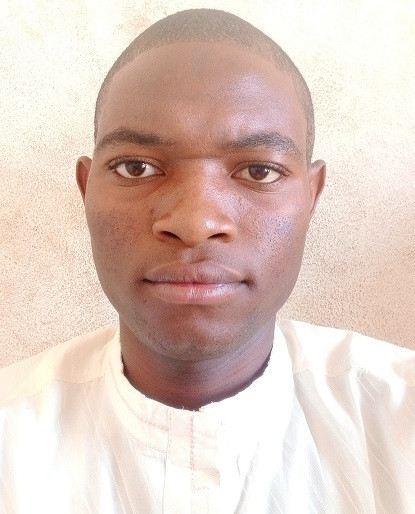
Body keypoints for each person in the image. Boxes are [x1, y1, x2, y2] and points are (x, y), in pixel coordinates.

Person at [0, 8, 413, 513]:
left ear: (311, 196)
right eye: (137, 167)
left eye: (259, 171)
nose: (195, 223)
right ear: (86, 190)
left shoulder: (400, 421)